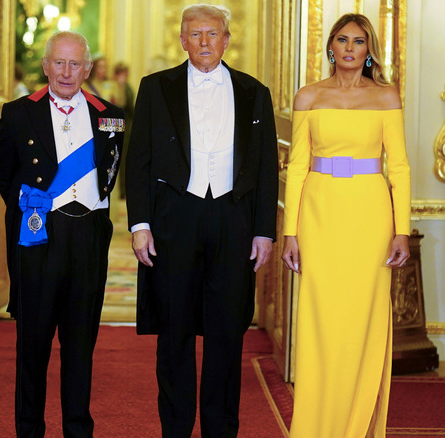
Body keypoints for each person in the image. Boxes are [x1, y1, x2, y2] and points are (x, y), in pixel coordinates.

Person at [124, 4, 278, 437]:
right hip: (175, 217)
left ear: (227, 39)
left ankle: (220, 429)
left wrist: (265, 229)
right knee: (174, 334)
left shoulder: (254, 91)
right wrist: (140, 225)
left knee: (227, 335)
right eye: (195, 35)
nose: (205, 42)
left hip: (234, 220)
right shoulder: (155, 88)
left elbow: (266, 167)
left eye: (213, 34)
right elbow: (139, 162)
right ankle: (174, 430)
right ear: (182, 39)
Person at [281, 13, 411, 438]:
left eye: (359, 41)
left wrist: (402, 230)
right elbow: (297, 166)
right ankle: (314, 426)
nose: (350, 48)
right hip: (319, 213)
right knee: (320, 321)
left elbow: (402, 169)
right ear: (331, 47)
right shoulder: (308, 96)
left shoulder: (387, 97)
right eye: (342, 40)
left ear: (368, 48)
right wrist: (291, 232)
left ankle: (356, 426)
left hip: (370, 215)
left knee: (364, 319)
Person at [0, 31, 125, 437]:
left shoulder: (111, 114)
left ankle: (77, 429)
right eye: (59, 63)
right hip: (39, 236)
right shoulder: (17, 113)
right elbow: (4, 173)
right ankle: (29, 429)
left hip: (89, 234)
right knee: (32, 344)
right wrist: (31, 206)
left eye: (75, 64)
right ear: (46, 66)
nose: (67, 72)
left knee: (80, 343)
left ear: (87, 68)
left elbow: (113, 168)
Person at [110, 62, 134, 198]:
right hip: (116, 126)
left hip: (128, 126)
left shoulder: (128, 87)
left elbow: (130, 106)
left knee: (125, 158)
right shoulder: (112, 87)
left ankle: (123, 190)